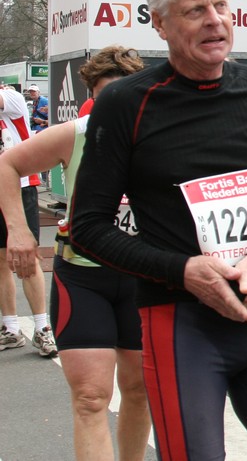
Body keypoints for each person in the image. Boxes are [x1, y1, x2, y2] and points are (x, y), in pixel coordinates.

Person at [67, 0, 247, 461]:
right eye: (195, 10)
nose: (215, 20)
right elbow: (89, 227)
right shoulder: (125, 103)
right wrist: (184, 270)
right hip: (181, 324)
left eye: (221, 5)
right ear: (160, 23)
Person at [0, 46, 149, 461]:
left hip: (143, 277)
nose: (114, 108)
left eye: (123, 97)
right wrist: (18, 230)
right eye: (104, 98)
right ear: (92, 97)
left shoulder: (159, 133)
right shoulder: (76, 133)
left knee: (139, 390)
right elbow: (7, 165)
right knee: (90, 397)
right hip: (83, 277)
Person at [0, 80, 56, 358]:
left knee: (28, 257)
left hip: (20, 186)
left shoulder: (10, 99)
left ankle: (42, 327)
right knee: (1, 260)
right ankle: (11, 328)